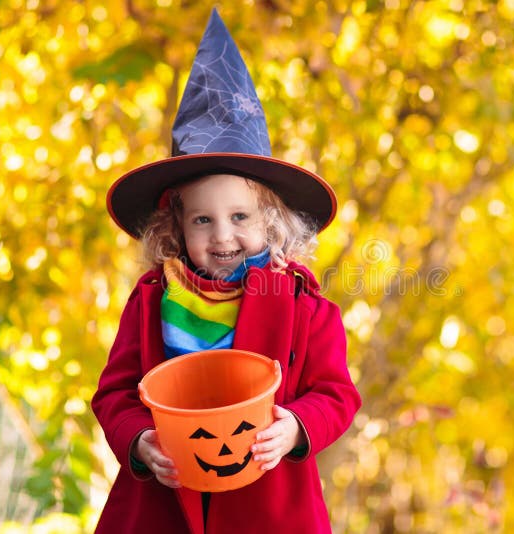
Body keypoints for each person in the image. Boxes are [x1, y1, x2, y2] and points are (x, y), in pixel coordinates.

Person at [91, 9, 361, 534]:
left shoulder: (307, 308)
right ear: (177, 228)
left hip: (269, 503)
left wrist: (298, 427)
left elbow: (336, 393)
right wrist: (138, 440)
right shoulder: (152, 299)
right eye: (202, 220)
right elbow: (115, 393)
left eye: (240, 217)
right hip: (163, 507)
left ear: (271, 220)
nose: (222, 236)